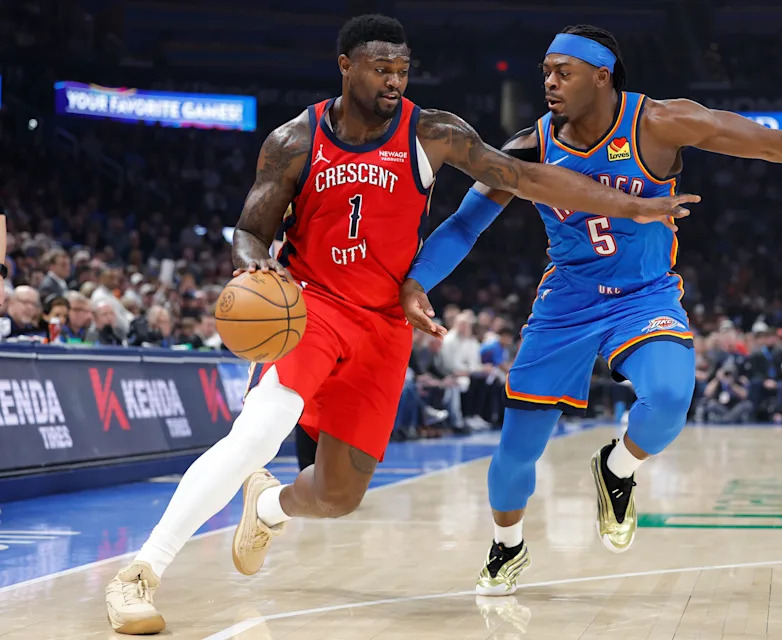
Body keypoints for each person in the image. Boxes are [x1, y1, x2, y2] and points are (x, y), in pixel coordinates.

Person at [104, 15, 698, 635]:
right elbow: (251, 229)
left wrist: (633, 205)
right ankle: (140, 572)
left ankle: (271, 504)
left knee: (338, 496)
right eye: (380, 68)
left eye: (402, 70)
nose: (393, 80)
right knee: (257, 433)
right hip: (313, 305)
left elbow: (523, 177)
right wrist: (257, 269)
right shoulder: (293, 140)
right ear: (345, 66)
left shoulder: (434, 131)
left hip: (385, 324)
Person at [400, 25, 782, 596]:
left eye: (562, 72)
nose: (549, 82)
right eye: (545, 72)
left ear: (602, 74)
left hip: (644, 296)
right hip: (566, 301)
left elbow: (765, 141)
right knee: (517, 452)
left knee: (668, 398)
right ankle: (506, 546)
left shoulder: (659, 123)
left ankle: (618, 467)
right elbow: (466, 224)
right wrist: (417, 279)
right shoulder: (530, 146)